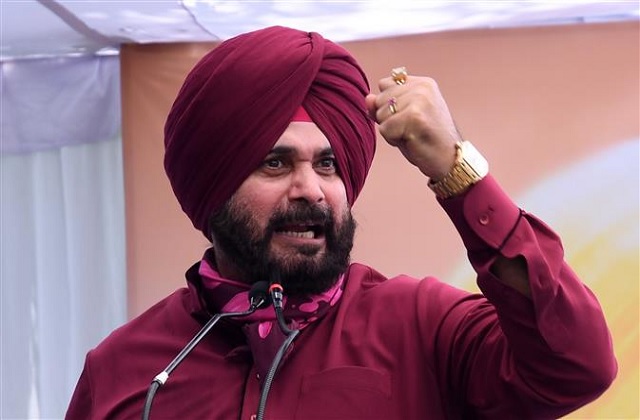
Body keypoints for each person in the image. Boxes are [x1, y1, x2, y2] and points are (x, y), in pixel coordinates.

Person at [66, 26, 616, 419]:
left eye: (328, 164)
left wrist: (456, 171)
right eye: (275, 163)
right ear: (213, 184)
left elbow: (575, 366)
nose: (311, 189)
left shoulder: (423, 327)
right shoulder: (122, 370)